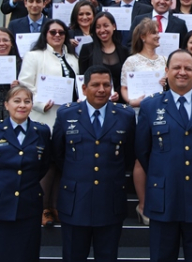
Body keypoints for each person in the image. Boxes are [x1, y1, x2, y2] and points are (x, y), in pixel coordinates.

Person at [136, 49, 192, 262]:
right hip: (164, 198)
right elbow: (143, 150)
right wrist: (164, 173)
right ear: (167, 71)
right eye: (177, 67)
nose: (182, 72)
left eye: (188, 68)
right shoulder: (150, 106)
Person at [52, 66, 137, 262]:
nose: (101, 89)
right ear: (84, 88)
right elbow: (58, 153)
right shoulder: (66, 114)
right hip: (75, 203)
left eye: (106, 85)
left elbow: (130, 154)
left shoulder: (125, 115)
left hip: (110, 201)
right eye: (95, 85)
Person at [0, 85, 51, 262]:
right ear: (6, 105)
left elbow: (43, 166)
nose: (22, 105)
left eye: (27, 101)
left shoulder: (42, 132)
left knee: (24, 254)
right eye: (16, 101)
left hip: (28, 206)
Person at [18, 19, 79, 227]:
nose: (57, 35)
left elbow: (75, 86)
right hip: (44, 116)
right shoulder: (34, 56)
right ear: (45, 34)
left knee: (60, 161)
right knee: (45, 163)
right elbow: (25, 86)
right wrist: (40, 104)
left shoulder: (72, 58)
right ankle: (43, 208)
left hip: (66, 118)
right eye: (52, 32)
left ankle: (55, 207)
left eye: (61, 32)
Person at [120, 18, 168, 225]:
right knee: (141, 157)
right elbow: (123, 87)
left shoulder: (165, 60)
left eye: (157, 32)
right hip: (140, 112)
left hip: (163, 114)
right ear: (143, 37)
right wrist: (131, 101)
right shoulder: (131, 61)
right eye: (154, 32)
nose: (158, 35)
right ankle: (142, 204)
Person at [78, 11, 128, 100]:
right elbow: (82, 77)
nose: (102, 30)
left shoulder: (124, 51)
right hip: (94, 100)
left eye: (106, 25)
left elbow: (126, 80)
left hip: (119, 102)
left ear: (114, 26)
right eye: (98, 27)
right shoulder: (87, 49)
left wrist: (118, 93)